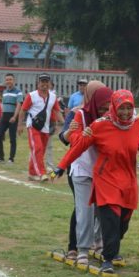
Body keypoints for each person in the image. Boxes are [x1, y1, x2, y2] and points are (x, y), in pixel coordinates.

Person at [53, 90, 139, 275]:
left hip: (128, 180)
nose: (125, 112)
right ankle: (108, 259)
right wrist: (61, 166)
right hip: (106, 179)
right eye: (122, 108)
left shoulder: (137, 124)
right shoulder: (99, 125)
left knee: (123, 222)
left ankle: (110, 247)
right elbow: (79, 146)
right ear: (114, 107)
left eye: (129, 108)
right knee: (110, 220)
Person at [59, 85, 112, 266]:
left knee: (101, 209)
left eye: (108, 107)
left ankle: (98, 243)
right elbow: (67, 138)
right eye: (102, 107)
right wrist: (76, 133)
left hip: (103, 171)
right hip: (81, 168)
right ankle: (78, 247)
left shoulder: (114, 116)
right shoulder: (78, 113)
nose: (105, 111)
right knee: (83, 210)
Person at [18, 73, 62, 181]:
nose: (44, 84)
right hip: (32, 126)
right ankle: (41, 173)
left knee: (41, 151)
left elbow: (57, 111)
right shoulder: (31, 95)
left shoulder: (53, 97)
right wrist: (20, 125)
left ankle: (32, 173)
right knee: (37, 148)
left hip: (45, 127)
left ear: (50, 84)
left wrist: (65, 124)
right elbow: (23, 110)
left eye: (46, 82)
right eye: (42, 81)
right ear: (38, 83)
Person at [0, 73, 23, 163]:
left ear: (13, 80)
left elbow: (19, 105)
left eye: (10, 79)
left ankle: (11, 158)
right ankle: (1, 157)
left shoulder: (18, 91)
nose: (8, 81)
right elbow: (3, 105)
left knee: (12, 138)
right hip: (4, 116)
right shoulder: (4, 92)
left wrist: (15, 117)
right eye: (7, 80)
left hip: (12, 116)